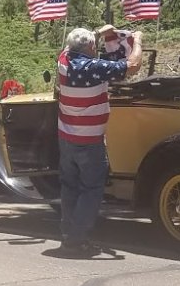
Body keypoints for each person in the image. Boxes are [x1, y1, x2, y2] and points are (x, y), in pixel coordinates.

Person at [55, 26, 142, 255]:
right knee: (91, 189)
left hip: (66, 138)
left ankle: (67, 234)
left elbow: (79, 45)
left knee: (70, 187)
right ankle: (76, 239)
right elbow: (132, 66)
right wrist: (138, 41)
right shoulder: (93, 68)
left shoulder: (63, 60)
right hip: (89, 140)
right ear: (91, 47)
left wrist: (99, 33)